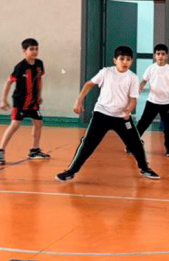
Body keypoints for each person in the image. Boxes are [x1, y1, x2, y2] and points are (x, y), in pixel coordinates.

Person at [56, 45, 161, 182]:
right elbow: (89, 84)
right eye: (121, 59)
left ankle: (145, 168)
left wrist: (129, 110)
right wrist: (78, 100)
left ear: (132, 61)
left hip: (121, 117)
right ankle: (71, 171)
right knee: (88, 143)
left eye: (128, 59)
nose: (125, 62)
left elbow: (133, 100)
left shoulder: (133, 78)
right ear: (115, 60)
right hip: (101, 114)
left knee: (135, 143)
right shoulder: (106, 72)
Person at [0, 38, 51, 164]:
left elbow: (39, 79)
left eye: (36, 49)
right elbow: (8, 82)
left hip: (33, 101)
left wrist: (39, 95)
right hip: (20, 101)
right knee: (15, 124)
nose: (35, 51)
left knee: (38, 123)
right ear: (24, 51)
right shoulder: (20, 67)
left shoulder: (39, 64)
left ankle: (34, 150)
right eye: (31, 49)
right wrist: (3, 100)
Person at [136, 43, 169, 157]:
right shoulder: (151, 68)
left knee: (168, 127)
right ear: (154, 55)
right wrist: (140, 87)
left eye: (163, 54)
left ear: (166, 56)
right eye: (158, 54)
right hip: (152, 102)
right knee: (143, 123)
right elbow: (144, 80)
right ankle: (132, 144)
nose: (160, 56)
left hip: (166, 103)